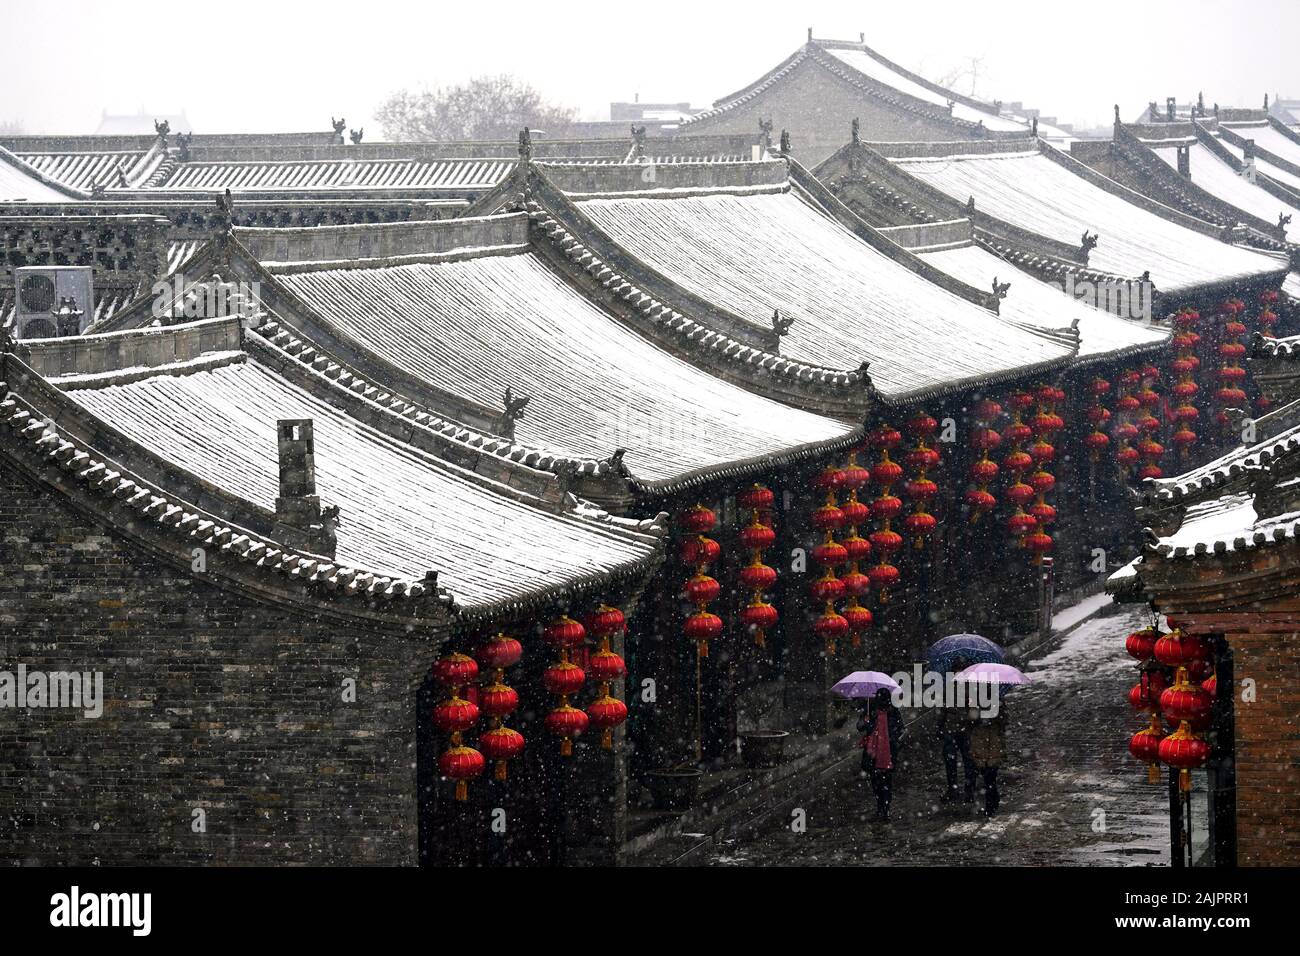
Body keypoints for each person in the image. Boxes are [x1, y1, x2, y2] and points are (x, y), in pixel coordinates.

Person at [858, 688, 903, 821]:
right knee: (876, 782)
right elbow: (860, 726)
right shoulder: (870, 711)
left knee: (885, 782)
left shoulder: (893, 712)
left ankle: (885, 809)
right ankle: (880, 807)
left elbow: (900, 729)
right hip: (873, 753)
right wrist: (865, 722)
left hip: (887, 753)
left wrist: (893, 739)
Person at [937, 657, 977, 803]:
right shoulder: (950, 686)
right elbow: (942, 709)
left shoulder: (970, 687)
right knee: (952, 760)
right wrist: (940, 726)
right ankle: (956, 789)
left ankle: (968, 790)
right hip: (952, 729)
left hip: (963, 729)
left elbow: (974, 710)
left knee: (967, 760)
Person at [968, 706, 1008, 817]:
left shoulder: (996, 703)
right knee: (987, 778)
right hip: (981, 741)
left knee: (990, 777)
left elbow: (1003, 720)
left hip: (992, 742)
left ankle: (990, 805)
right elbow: (968, 720)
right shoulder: (974, 701)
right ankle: (992, 801)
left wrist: (994, 715)